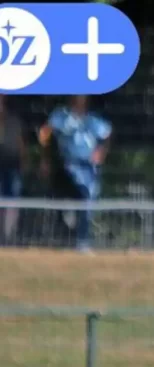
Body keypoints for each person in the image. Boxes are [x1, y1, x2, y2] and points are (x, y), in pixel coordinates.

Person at [39, 95, 112, 252]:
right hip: (68, 165)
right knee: (70, 198)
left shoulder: (92, 120)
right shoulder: (61, 116)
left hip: (89, 169)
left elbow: (107, 134)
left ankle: (82, 241)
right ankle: (65, 231)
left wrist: (101, 152)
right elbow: (45, 133)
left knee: (89, 202)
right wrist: (47, 156)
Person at [0, 94, 27, 244]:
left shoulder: (14, 121)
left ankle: (9, 237)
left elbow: (21, 143)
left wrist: (23, 162)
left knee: (12, 201)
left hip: (13, 166)